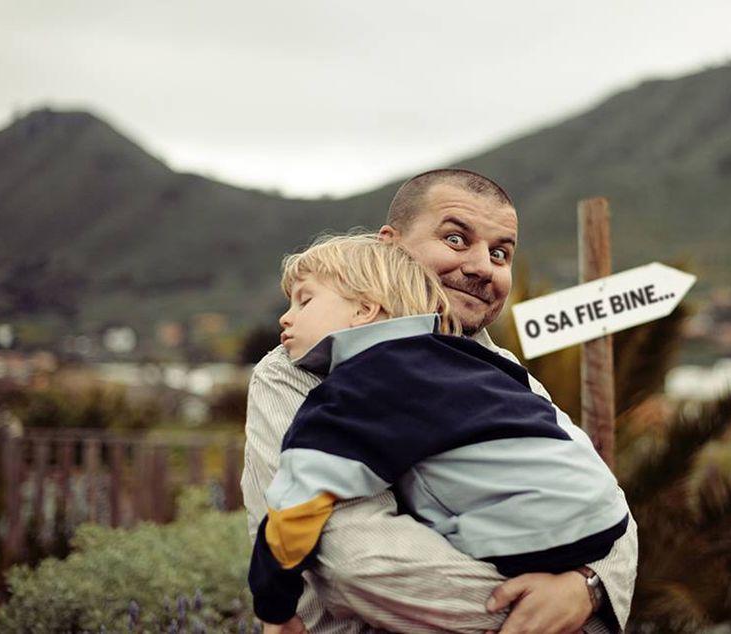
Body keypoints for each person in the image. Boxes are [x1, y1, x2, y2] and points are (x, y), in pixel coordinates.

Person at [241, 169, 638, 634]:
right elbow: (356, 560)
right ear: (390, 246)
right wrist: (545, 613)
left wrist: (586, 587)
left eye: (500, 253)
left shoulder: (499, 366)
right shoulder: (295, 371)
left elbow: (604, 496)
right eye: (455, 239)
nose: (482, 266)